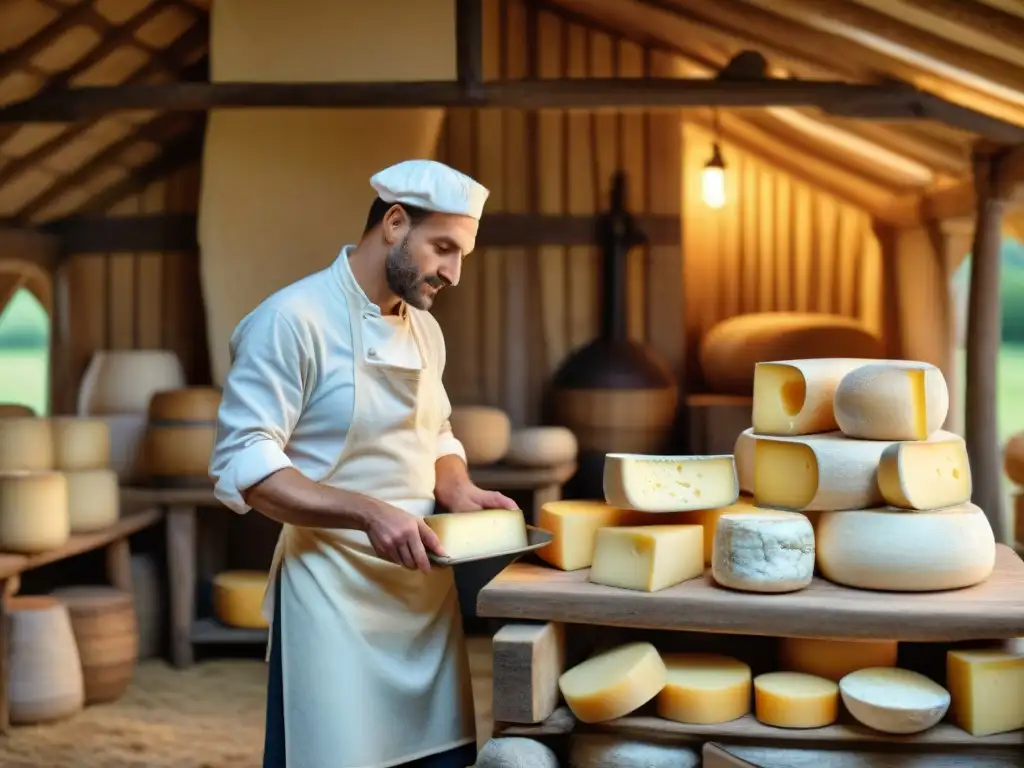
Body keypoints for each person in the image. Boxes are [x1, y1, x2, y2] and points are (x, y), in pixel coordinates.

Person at [208, 159, 519, 768]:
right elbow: (246, 462)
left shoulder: (426, 331)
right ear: (395, 223)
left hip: (422, 599)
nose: (454, 273)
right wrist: (368, 512)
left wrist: (456, 486)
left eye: (463, 256)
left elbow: (437, 430)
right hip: (331, 597)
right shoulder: (290, 320)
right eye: (444, 249)